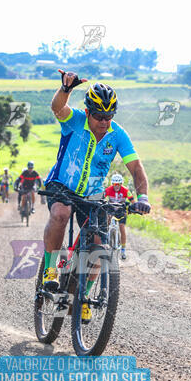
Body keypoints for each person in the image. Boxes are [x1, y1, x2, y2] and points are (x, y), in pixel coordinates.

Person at [42, 70, 151, 322]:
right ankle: (51, 269)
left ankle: (84, 298)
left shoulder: (118, 135)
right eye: (100, 116)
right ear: (89, 112)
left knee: (97, 245)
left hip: (93, 195)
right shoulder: (75, 121)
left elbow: (136, 168)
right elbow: (58, 107)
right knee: (61, 213)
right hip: (63, 184)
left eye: (109, 116)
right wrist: (66, 89)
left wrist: (142, 197)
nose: (105, 122)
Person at [104, 173, 135, 259]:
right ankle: (105, 242)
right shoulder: (108, 189)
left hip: (121, 211)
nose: (117, 186)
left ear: (121, 184)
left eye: (119, 184)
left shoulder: (125, 190)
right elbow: (102, 197)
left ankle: (123, 249)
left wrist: (134, 207)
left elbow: (132, 201)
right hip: (111, 210)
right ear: (112, 184)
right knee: (106, 224)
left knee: (122, 228)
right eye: (115, 184)